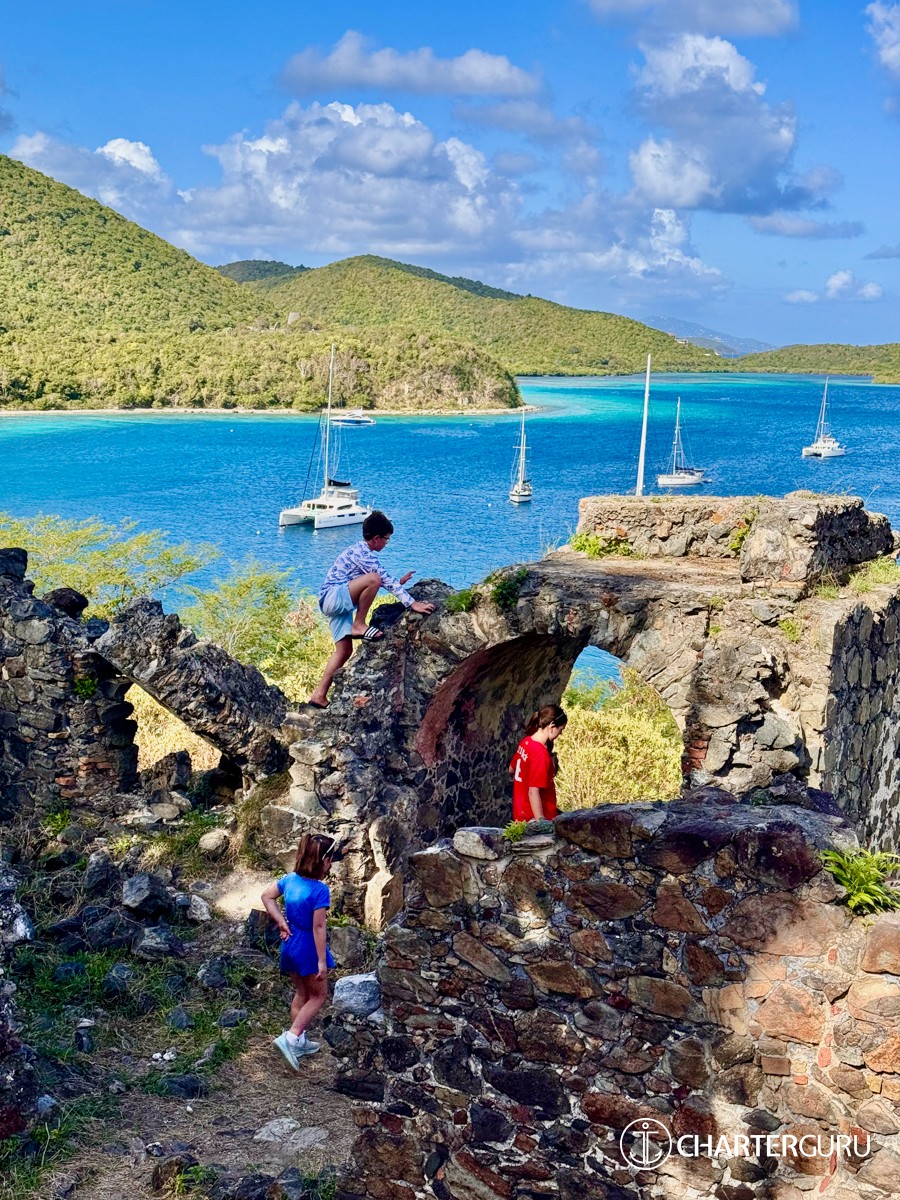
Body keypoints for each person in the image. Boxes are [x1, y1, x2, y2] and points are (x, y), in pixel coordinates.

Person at [309, 510, 435, 708]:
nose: (387, 543)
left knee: (344, 651)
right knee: (374, 578)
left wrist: (399, 583)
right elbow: (377, 578)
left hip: (337, 601)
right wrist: (412, 603)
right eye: (386, 539)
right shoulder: (363, 554)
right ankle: (359, 624)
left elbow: (377, 581)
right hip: (333, 598)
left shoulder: (359, 551)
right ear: (376, 538)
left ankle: (319, 695)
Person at [260, 832, 338, 1072]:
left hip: (290, 943)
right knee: (319, 996)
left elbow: (266, 896)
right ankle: (291, 1038)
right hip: (308, 948)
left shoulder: (290, 879)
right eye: (331, 860)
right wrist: (322, 960)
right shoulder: (320, 890)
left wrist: (281, 922)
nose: (331, 865)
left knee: (302, 992)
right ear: (324, 861)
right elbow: (318, 927)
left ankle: (299, 1042)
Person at [509, 704, 568, 821]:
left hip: (520, 815)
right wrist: (541, 822)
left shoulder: (525, 742)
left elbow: (511, 769)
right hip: (534, 818)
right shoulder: (540, 754)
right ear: (552, 726)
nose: (560, 734)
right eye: (560, 730)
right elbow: (533, 792)